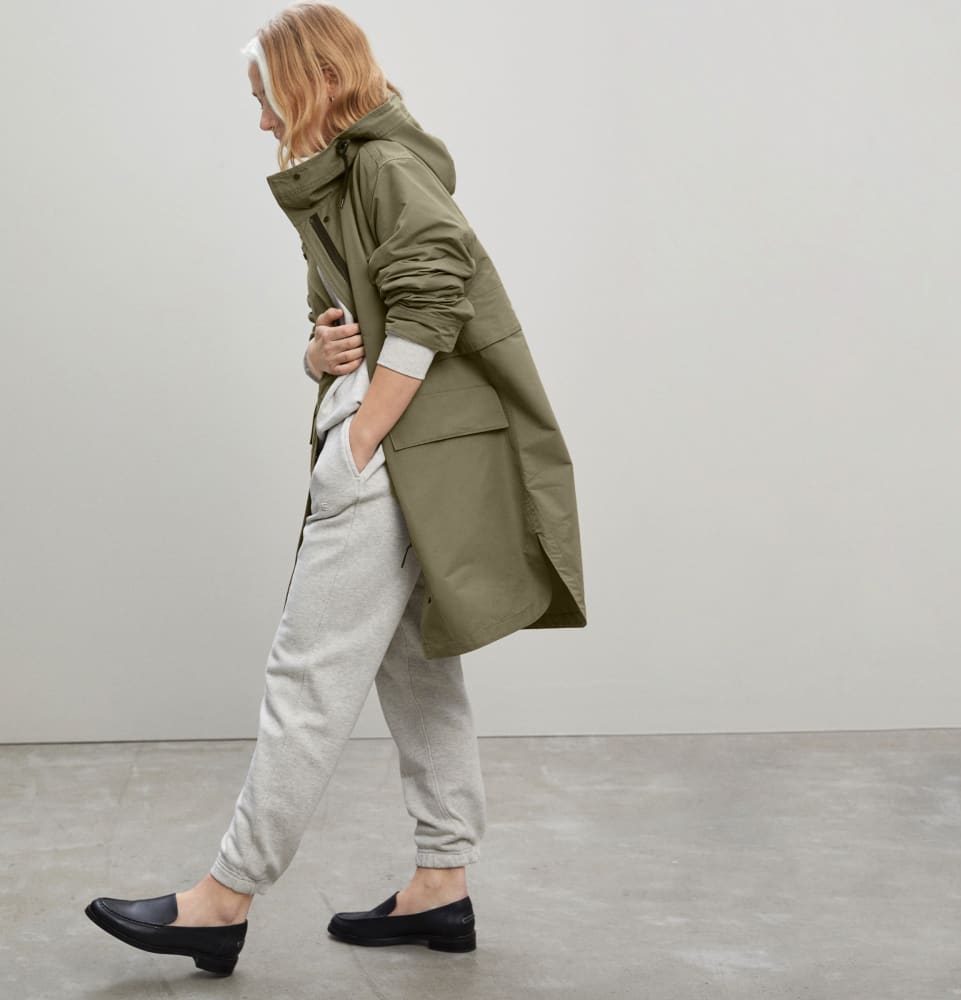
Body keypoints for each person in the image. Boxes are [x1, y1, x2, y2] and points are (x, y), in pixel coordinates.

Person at [85, 0, 586, 977]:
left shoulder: (383, 165)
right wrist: (318, 352)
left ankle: (223, 898)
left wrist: (358, 439)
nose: (261, 120)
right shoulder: (341, 176)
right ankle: (442, 881)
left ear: (314, 80)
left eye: (267, 96)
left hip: (390, 460)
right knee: (416, 671)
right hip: (403, 455)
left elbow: (435, 291)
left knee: (306, 677)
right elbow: (344, 315)